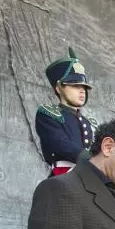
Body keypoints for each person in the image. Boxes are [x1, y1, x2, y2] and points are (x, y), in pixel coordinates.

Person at [35, 47, 96, 177]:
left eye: (84, 87)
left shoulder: (88, 122)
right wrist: (93, 160)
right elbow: (61, 145)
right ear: (58, 88)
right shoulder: (49, 114)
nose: (82, 91)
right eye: (75, 86)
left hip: (89, 177)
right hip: (63, 178)